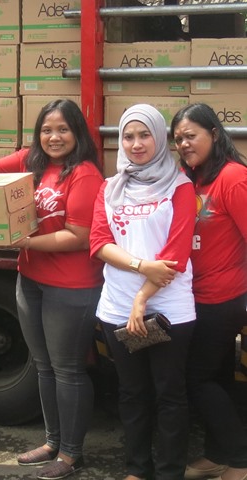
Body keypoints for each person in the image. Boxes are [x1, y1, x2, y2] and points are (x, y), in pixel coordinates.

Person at [0, 99, 104, 480]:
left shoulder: (83, 174)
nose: (54, 137)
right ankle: (52, 442)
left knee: (68, 370)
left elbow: (79, 237)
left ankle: (71, 453)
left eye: (63, 129)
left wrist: (23, 242)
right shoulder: (32, 161)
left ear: (77, 132)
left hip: (71, 286)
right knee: (44, 367)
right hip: (30, 280)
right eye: (47, 129)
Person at [89, 104, 197, 480]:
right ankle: (137, 469)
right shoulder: (109, 187)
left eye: (145, 135)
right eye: (129, 136)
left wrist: (142, 297)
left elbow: (176, 254)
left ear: (160, 138)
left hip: (169, 309)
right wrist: (139, 269)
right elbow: (100, 242)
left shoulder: (181, 186)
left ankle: (169, 472)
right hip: (117, 309)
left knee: (170, 394)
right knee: (132, 393)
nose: (136, 144)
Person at [170, 103, 247, 480]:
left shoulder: (232, 178)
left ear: (214, 134)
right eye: (178, 139)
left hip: (223, 297)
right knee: (216, 377)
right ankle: (219, 453)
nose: (184, 144)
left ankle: (240, 459)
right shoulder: (193, 179)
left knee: (195, 378)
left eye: (191, 135)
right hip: (192, 297)